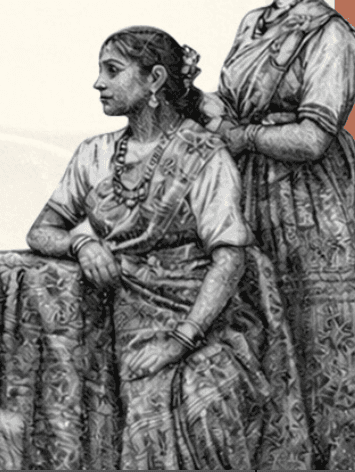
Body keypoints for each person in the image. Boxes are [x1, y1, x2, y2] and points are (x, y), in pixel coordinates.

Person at [26, 27, 311, 469]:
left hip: (208, 324)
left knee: (206, 402)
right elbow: (41, 232)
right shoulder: (93, 155)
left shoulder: (205, 155)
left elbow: (230, 257)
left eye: (112, 70)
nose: (98, 83)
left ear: (155, 79)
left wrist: (180, 342)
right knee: (148, 399)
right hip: (134, 322)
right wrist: (82, 242)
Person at [202, 0, 355, 467]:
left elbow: (313, 139)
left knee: (318, 342)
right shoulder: (253, 21)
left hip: (311, 204)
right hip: (249, 193)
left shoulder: (333, 34)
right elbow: (227, 105)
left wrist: (243, 137)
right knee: (258, 330)